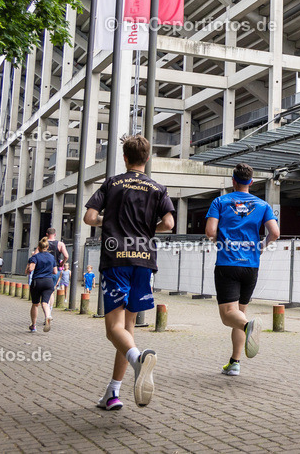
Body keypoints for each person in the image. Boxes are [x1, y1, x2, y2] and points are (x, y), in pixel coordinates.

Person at [83, 134, 175, 410]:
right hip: (144, 261)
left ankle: (138, 361)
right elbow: (169, 223)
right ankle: (113, 393)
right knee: (128, 329)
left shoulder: (112, 183)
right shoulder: (158, 188)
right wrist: (148, 229)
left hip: (116, 258)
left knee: (113, 330)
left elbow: (89, 217)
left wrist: (106, 220)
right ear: (147, 159)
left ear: (125, 158)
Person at [205, 163, 279, 377]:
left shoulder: (220, 201)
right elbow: (274, 233)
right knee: (238, 313)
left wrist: (222, 242)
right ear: (251, 182)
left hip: (228, 264)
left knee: (228, 316)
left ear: (233, 180)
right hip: (251, 266)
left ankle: (249, 327)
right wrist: (261, 248)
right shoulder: (263, 205)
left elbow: (210, 231)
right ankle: (234, 362)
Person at [27, 238, 58, 333]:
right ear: (47, 247)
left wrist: (28, 267)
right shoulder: (51, 257)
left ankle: (34, 326)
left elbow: (31, 269)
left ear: (39, 247)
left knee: (35, 304)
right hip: (48, 282)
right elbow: (55, 271)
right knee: (45, 303)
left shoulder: (35, 257)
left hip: (37, 282)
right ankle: (48, 316)